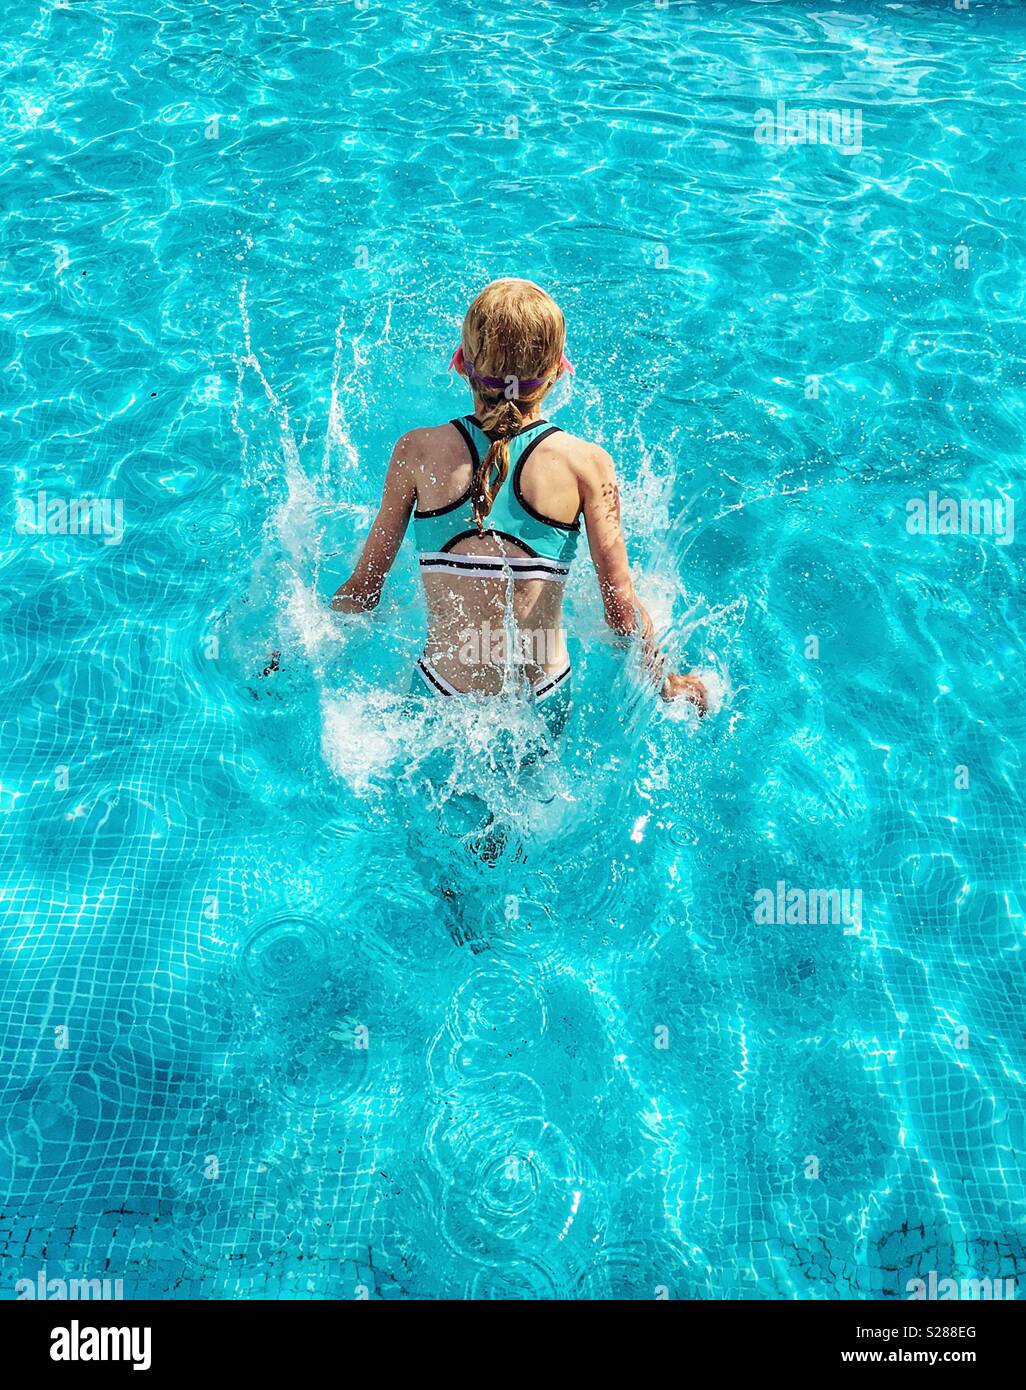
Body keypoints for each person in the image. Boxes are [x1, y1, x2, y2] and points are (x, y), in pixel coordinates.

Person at [331, 277, 707, 740]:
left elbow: (366, 588)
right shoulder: (587, 465)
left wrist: (299, 647)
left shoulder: (417, 452)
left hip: (442, 690)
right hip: (541, 696)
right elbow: (621, 612)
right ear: (558, 371)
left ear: (460, 363)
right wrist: (668, 682)